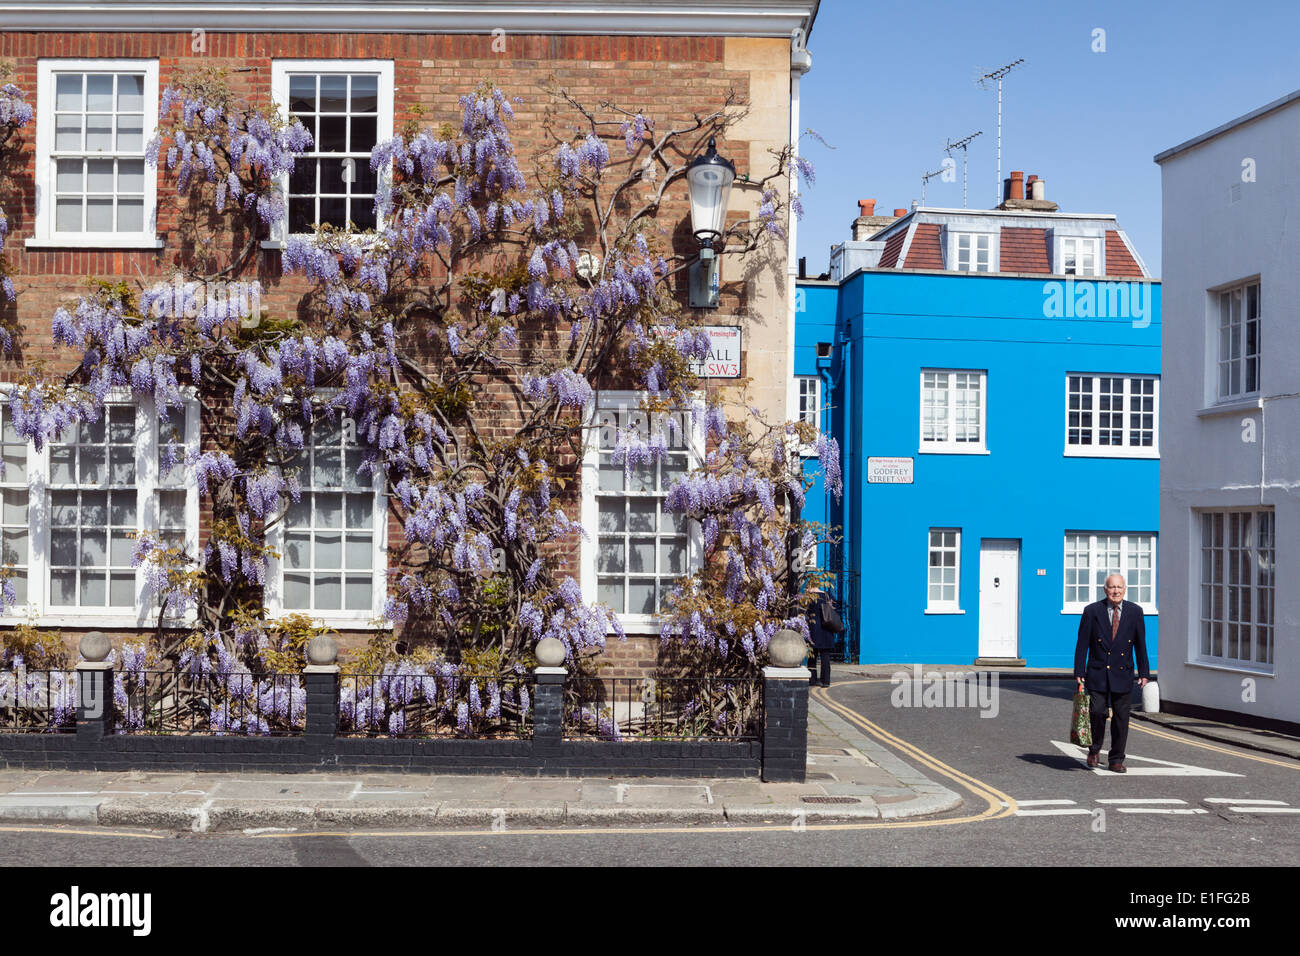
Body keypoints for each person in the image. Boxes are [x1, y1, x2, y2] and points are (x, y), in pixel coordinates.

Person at [1073, 574, 1150, 772]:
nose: (1115, 591)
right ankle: (1094, 749)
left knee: (1121, 718)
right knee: (1097, 712)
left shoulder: (1135, 612)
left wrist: (1144, 672)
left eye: (1119, 587)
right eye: (1111, 587)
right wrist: (1079, 670)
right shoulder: (1092, 611)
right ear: (1105, 589)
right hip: (1097, 672)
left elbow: (1141, 645)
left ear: (1125, 589)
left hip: (1122, 672)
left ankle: (1116, 759)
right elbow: (1082, 644)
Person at [806, 589, 844, 687]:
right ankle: (826, 681)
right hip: (827, 629)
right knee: (825, 657)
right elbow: (835, 608)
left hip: (814, 630)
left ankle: (812, 679)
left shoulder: (809, 597)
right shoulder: (827, 595)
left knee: (812, 657)